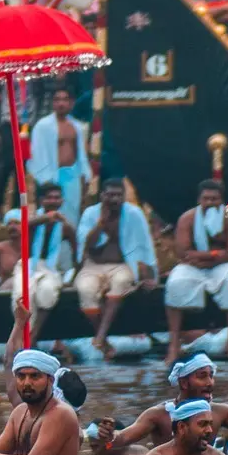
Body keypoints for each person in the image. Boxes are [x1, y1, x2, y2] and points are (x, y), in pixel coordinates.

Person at [163, 180, 228, 361]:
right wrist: (215, 254)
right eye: (206, 199)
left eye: (214, 199)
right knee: (175, 282)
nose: (210, 203)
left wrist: (204, 257)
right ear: (199, 199)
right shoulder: (188, 218)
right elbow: (183, 253)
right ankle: (174, 345)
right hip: (194, 267)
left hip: (222, 266)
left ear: (221, 200)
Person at [73, 179, 157, 353]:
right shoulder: (90, 214)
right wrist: (101, 224)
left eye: (119, 195)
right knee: (85, 290)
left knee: (121, 282)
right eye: (111, 195)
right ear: (102, 195)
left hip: (122, 265)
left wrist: (150, 274)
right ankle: (102, 338)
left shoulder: (134, 214)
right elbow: (86, 245)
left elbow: (145, 246)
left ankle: (100, 337)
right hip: (93, 266)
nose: (115, 199)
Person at [27, 87, 90, 226]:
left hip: (72, 175)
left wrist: (85, 176)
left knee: (72, 215)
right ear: (52, 103)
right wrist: (44, 180)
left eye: (65, 100)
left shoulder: (78, 126)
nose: (61, 103)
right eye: (57, 100)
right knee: (50, 216)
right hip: (51, 177)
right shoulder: (42, 126)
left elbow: (82, 156)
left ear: (71, 103)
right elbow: (36, 155)